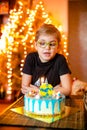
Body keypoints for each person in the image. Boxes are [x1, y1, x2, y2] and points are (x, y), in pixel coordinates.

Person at [21, 23, 72, 96]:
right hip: (31, 102)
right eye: (42, 43)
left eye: (52, 44)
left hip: (52, 104)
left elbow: (67, 90)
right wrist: (54, 90)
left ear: (58, 46)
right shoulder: (31, 58)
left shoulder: (60, 60)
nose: (47, 48)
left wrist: (38, 91)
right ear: (36, 45)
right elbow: (25, 88)